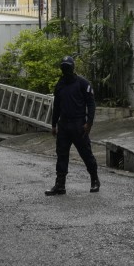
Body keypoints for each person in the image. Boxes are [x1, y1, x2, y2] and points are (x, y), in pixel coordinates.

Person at [45, 55, 100, 195]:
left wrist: (89, 123)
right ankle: (60, 185)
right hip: (63, 125)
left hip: (78, 124)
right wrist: (53, 125)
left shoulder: (83, 83)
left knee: (86, 153)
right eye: (63, 67)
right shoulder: (60, 84)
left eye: (67, 67)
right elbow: (56, 106)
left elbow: (91, 104)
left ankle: (94, 179)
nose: (65, 70)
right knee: (61, 155)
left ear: (72, 68)